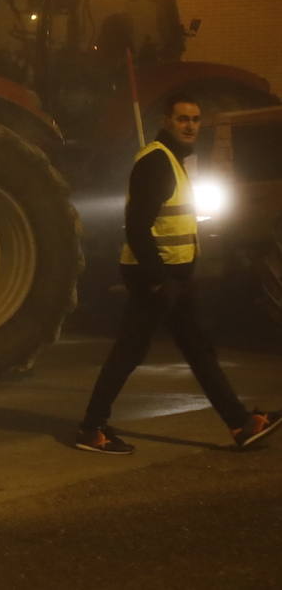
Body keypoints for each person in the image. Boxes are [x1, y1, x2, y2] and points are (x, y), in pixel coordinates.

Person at [75, 95, 282, 454]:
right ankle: (92, 430)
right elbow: (137, 227)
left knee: (198, 351)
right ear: (166, 121)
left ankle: (240, 424)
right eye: (183, 119)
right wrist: (159, 280)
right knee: (130, 353)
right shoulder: (155, 162)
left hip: (173, 277)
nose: (190, 125)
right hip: (156, 277)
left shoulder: (174, 161)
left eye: (196, 119)